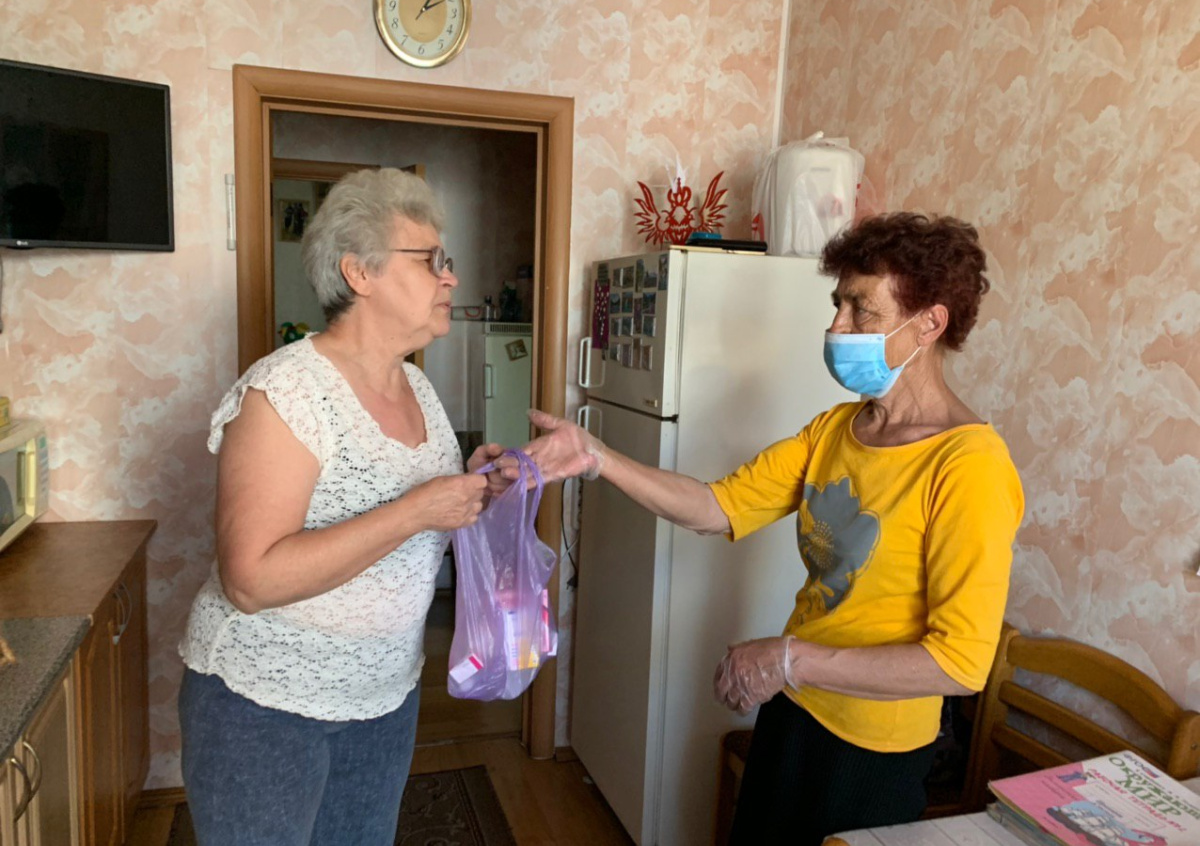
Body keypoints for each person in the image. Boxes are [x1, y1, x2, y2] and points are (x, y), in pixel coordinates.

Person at [522, 212, 1025, 845]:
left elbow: (960, 663)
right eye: (837, 304)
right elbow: (716, 507)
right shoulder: (836, 430)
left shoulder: (969, 465)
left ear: (929, 323)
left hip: (873, 748)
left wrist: (788, 657)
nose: (836, 326)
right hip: (796, 707)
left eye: (861, 309)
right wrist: (597, 457)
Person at [178, 168, 509, 846]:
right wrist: (416, 510)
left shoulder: (418, 387)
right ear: (359, 272)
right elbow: (250, 580)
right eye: (431, 261)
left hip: (385, 695)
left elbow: (421, 524)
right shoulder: (285, 392)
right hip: (264, 705)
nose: (450, 277)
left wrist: (472, 487)